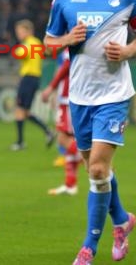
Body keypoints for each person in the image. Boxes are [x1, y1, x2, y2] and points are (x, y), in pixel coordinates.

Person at [44, 0, 136, 264]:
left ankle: (88, 247)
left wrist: (128, 50)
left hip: (114, 95)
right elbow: (48, 42)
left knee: (96, 170)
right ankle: (122, 221)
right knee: (99, 170)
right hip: (79, 97)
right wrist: (66, 38)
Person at [41, 48, 81, 196]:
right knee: (68, 138)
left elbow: (65, 67)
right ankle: (70, 185)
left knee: (63, 139)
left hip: (69, 98)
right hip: (71, 97)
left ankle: (97, 162)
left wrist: (51, 88)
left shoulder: (70, 45)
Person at [10, 19, 55, 151]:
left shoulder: (29, 43)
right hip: (34, 79)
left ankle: (20, 142)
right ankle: (48, 131)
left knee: (19, 110)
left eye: (20, 31)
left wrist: (18, 48)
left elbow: (19, 54)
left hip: (28, 78)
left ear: (28, 31)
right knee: (24, 111)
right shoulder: (37, 43)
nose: (18, 34)